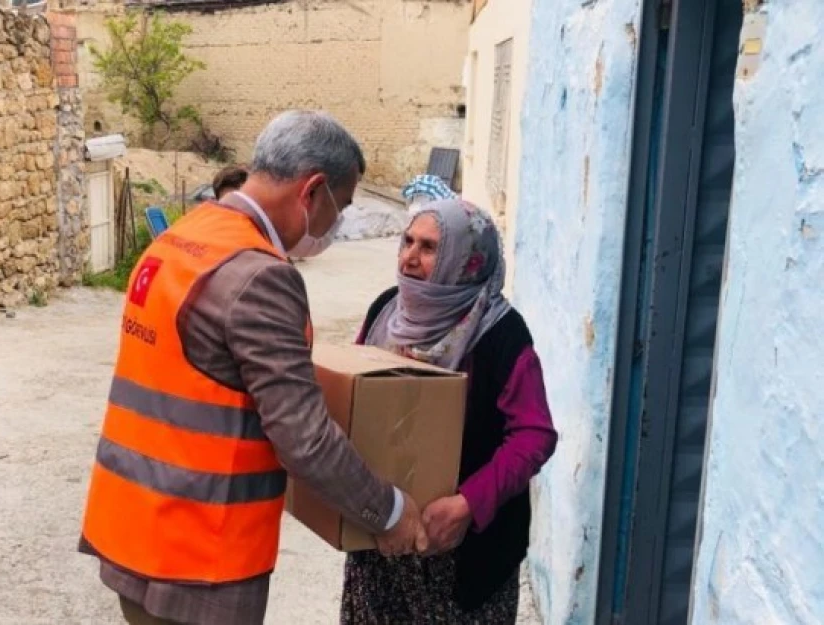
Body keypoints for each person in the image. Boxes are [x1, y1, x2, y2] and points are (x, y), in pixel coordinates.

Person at [79, 110, 429, 625]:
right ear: (312, 192)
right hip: (199, 559)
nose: (338, 225)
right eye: (343, 206)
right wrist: (391, 512)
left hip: (132, 528)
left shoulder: (183, 237)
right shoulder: (259, 275)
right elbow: (304, 440)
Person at [340, 198, 558, 624]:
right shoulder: (387, 310)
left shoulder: (500, 332)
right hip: (385, 534)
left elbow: (535, 434)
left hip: (465, 549)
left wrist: (468, 504)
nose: (409, 257)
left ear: (469, 261)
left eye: (429, 247)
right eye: (407, 242)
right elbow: (356, 393)